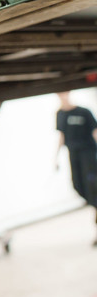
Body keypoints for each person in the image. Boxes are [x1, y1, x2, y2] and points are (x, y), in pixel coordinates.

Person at [55, 91, 97, 246]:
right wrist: (56, 158)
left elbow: (95, 132)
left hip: (88, 155)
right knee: (77, 186)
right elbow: (61, 136)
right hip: (74, 155)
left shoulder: (83, 112)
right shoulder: (60, 114)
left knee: (93, 188)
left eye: (65, 93)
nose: (63, 96)